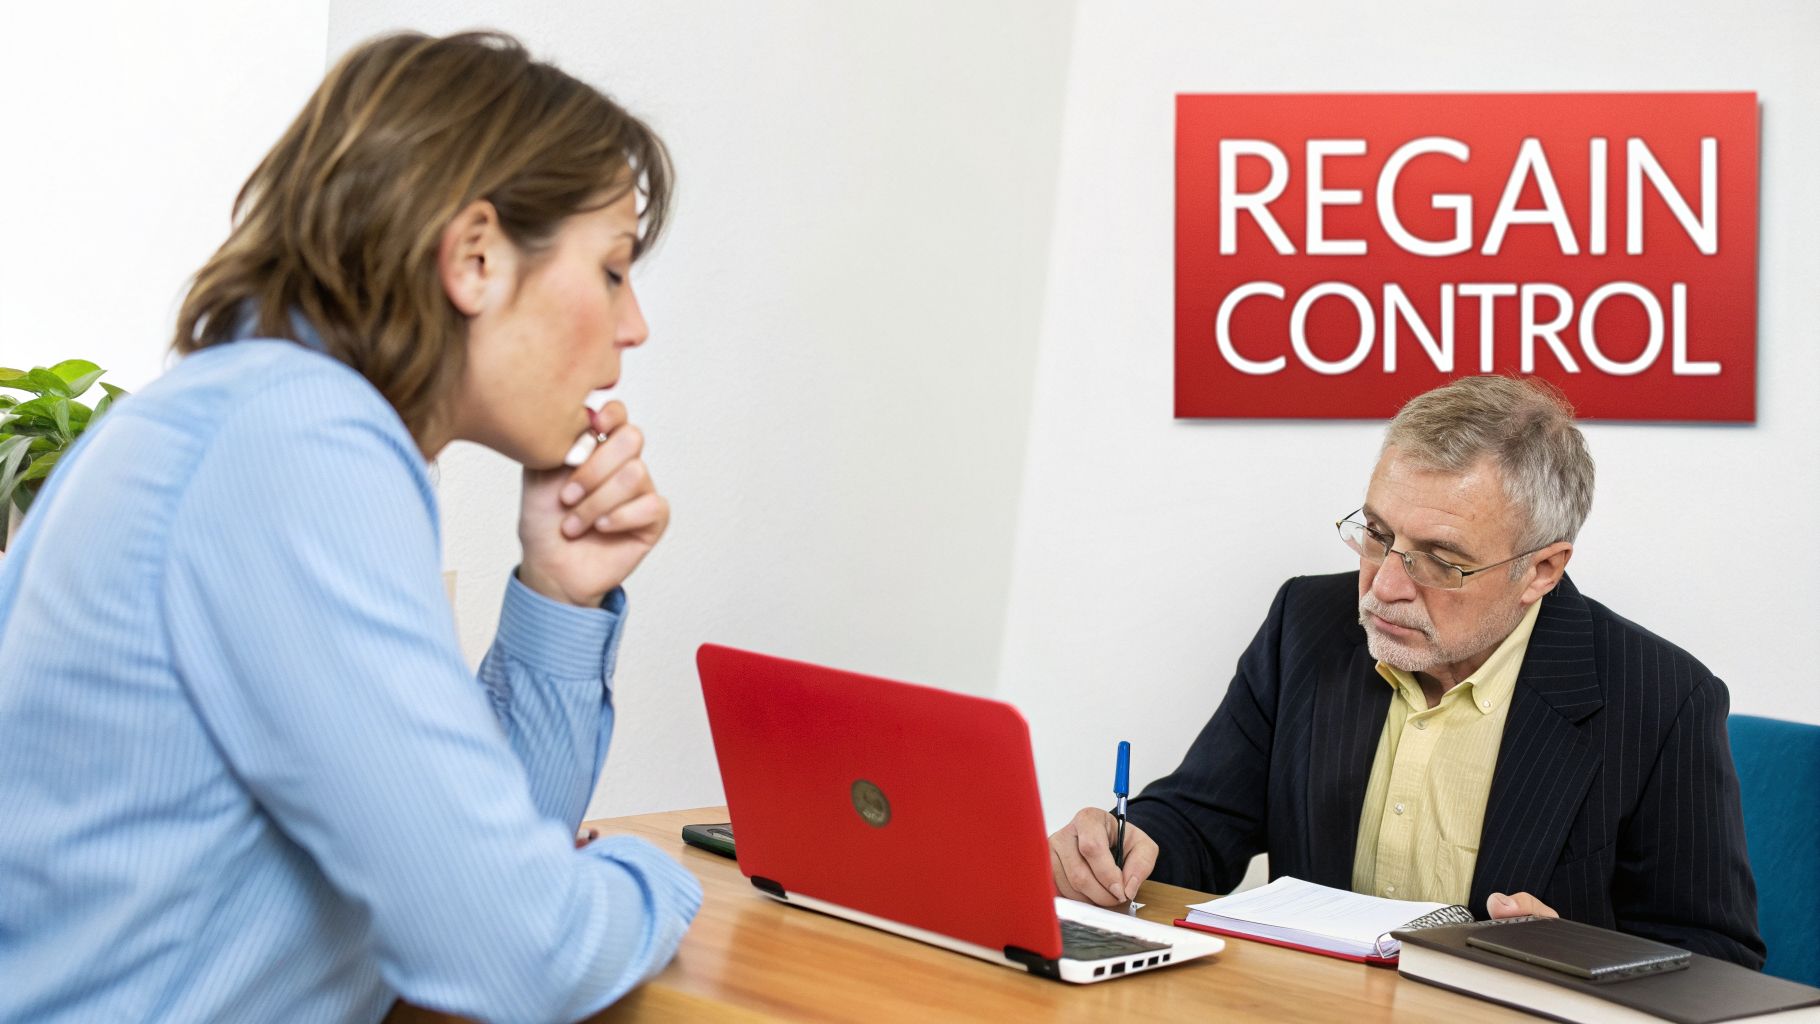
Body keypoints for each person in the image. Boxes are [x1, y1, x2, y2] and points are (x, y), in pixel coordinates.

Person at [0, 32, 700, 1022]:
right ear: (474, 257)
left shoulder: (254, 419)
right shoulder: (296, 441)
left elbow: (468, 879)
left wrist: (557, 591)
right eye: (613, 271)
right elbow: (515, 950)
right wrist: (663, 875)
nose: (632, 328)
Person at [1049, 375, 1764, 968]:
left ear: (1540, 570)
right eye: (1379, 535)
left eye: (1440, 559)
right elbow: (1202, 820)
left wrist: (1578, 958)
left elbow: (1715, 961)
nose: (1384, 586)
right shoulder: (1309, 623)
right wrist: (1124, 844)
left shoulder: (1661, 699)